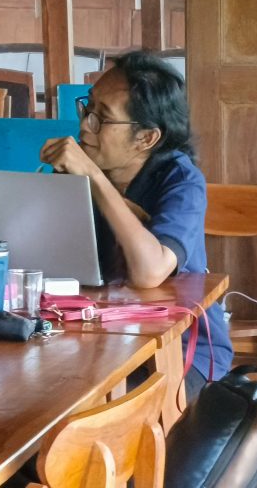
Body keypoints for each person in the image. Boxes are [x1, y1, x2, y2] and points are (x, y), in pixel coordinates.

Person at [40, 51, 233, 398]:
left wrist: (93, 177)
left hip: (177, 351)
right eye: (87, 108)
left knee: (90, 411)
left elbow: (149, 272)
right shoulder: (74, 175)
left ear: (146, 138)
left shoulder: (181, 181)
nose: (85, 125)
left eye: (102, 118)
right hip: (98, 342)